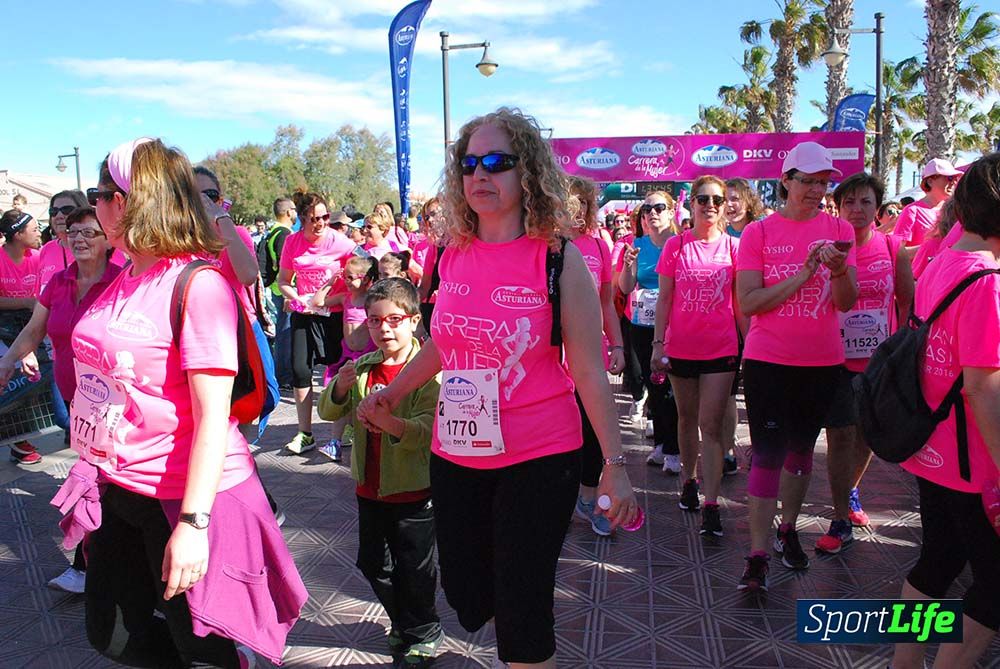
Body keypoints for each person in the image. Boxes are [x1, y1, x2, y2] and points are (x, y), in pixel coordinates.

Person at [358, 108, 637, 669]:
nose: (481, 175)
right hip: (457, 451)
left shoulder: (559, 260)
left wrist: (613, 461)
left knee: (522, 606)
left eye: (498, 163)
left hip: (540, 454)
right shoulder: (450, 254)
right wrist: (394, 391)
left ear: (527, 172)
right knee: (465, 592)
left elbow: (586, 368)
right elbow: (443, 342)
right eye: (470, 164)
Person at [56, 137, 306, 668]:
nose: (94, 206)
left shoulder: (198, 285)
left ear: (130, 200)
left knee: (200, 641)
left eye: (101, 194)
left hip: (181, 495)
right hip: (117, 483)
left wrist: (194, 526)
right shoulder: (126, 274)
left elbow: (214, 417)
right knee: (111, 633)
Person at [890, 152, 1000, 669]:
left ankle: (905, 662)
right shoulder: (987, 282)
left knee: (937, 562)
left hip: (933, 451)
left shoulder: (943, 261)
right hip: (974, 463)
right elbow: (983, 390)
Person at [734, 141, 857, 592]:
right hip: (769, 360)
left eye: (823, 181)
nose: (816, 189)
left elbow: (846, 302)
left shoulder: (840, 228)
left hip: (822, 362)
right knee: (767, 453)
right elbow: (749, 302)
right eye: (807, 181)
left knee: (802, 452)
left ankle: (789, 530)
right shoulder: (759, 233)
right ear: (786, 180)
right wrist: (804, 275)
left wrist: (840, 271)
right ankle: (757, 553)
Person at [318, 278, 443, 666]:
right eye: (374, 320)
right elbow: (328, 412)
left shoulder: (427, 372)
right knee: (373, 563)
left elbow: (427, 431)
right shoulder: (365, 367)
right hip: (369, 487)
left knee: (415, 567)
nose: (384, 328)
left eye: (393, 319)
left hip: (412, 489)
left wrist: (389, 423)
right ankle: (404, 621)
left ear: (414, 321)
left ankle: (423, 630)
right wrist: (339, 388)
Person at [0, 205, 122, 593]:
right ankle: (90, 568)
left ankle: (97, 568)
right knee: (96, 484)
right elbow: (35, 330)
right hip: (77, 402)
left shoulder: (122, 282)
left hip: (115, 407)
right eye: (74, 232)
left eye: (90, 232)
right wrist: (5, 363)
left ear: (108, 241)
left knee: (107, 485)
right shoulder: (59, 282)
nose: (80, 239)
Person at [816, 173, 913, 555]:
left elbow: (907, 301)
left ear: (878, 208)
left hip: (879, 361)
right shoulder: (826, 248)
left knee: (867, 435)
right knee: (839, 435)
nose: (857, 210)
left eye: (865, 202)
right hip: (835, 358)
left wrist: (901, 346)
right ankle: (840, 519)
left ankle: (850, 489)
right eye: (849, 203)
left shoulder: (893, 247)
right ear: (838, 208)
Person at [652, 175, 747, 537]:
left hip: (721, 349)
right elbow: (664, 299)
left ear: (725, 207)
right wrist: (658, 344)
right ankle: (689, 480)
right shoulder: (676, 246)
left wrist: (749, 345)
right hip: (680, 347)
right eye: (703, 199)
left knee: (710, 424)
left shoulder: (734, 247)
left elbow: (740, 305)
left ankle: (711, 503)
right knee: (686, 418)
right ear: (691, 204)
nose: (710, 205)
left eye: (717, 200)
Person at [194, 167, 279, 443]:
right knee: (216, 409)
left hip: (241, 330)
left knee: (257, 398)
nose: (204, 201)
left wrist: (221, 219)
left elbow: (248, 275)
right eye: (195, 195)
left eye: (210, 194)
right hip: (203, 337)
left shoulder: (236, 232)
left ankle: (239, 464)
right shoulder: (181, 242)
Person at [566, 176, 625, 536]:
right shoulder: (543, 245)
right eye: (568, 204)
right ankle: (558, 499)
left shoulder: (599, 247)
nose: (574, 212)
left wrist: (617, 344)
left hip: (590, 356)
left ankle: (588, 498)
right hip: (550, 361)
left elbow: (606, 302)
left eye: (581, 205)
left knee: (591, 431)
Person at [278, 191, 355, 454]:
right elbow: (283, 281)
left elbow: (364, 267)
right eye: (314, 218)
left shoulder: (340, 241)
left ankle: (343, 427)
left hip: (334, 315)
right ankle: (305, 433)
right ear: (301, 219)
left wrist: (341, 296)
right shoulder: (292, 243)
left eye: (324, 217)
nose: (321, 223)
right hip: (304, 315)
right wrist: (297, 298)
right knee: (300, 370)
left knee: (338, 369)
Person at [618, 192, 681, 473]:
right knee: (653, 383)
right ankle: (661, 444)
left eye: (658, 207)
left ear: (671, 212)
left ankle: (675, 449)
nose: (652, 213)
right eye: (647, 208)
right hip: (642, 325)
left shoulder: (681, 243)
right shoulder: (637, 244)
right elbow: (625, 287)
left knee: (673, 387)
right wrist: (629, 265)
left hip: (674, 326)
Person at [312, 255, 379, 461]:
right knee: (340, 396)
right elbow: (318, 302)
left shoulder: (372, 300)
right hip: (347, 356)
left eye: (351, 277)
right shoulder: (345, 298)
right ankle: (335, 442)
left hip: (367, 356)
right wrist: (330, 282)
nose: (347, 281)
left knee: (360, 397)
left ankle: (360, 437)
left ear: (366, 279)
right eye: (346, 277)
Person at [0, 208, 43, 464]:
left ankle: (21, 435)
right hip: (3, 329)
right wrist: (27, 302)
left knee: (35, 380)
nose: (38, 231)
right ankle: (17, 438)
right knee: (10, 381)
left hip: (29, 326)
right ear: (17, 234)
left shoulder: (38, 257)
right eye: (33, 227)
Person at [261, 197, 295, 388]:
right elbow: (285, 263)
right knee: (285, 333)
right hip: (283, 289)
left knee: (283, 332)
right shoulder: (283, 234)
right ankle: (283, 377)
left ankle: (281, 374)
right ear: (289, 212)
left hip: (277, 288)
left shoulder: (272, 232)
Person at [893, 158, 962, 249]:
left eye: (955, 178)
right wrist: (929, 248)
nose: (953, 182)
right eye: (949, 178)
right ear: (930, 181)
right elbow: (897, 251)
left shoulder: (953, 211)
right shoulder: (912, 211)